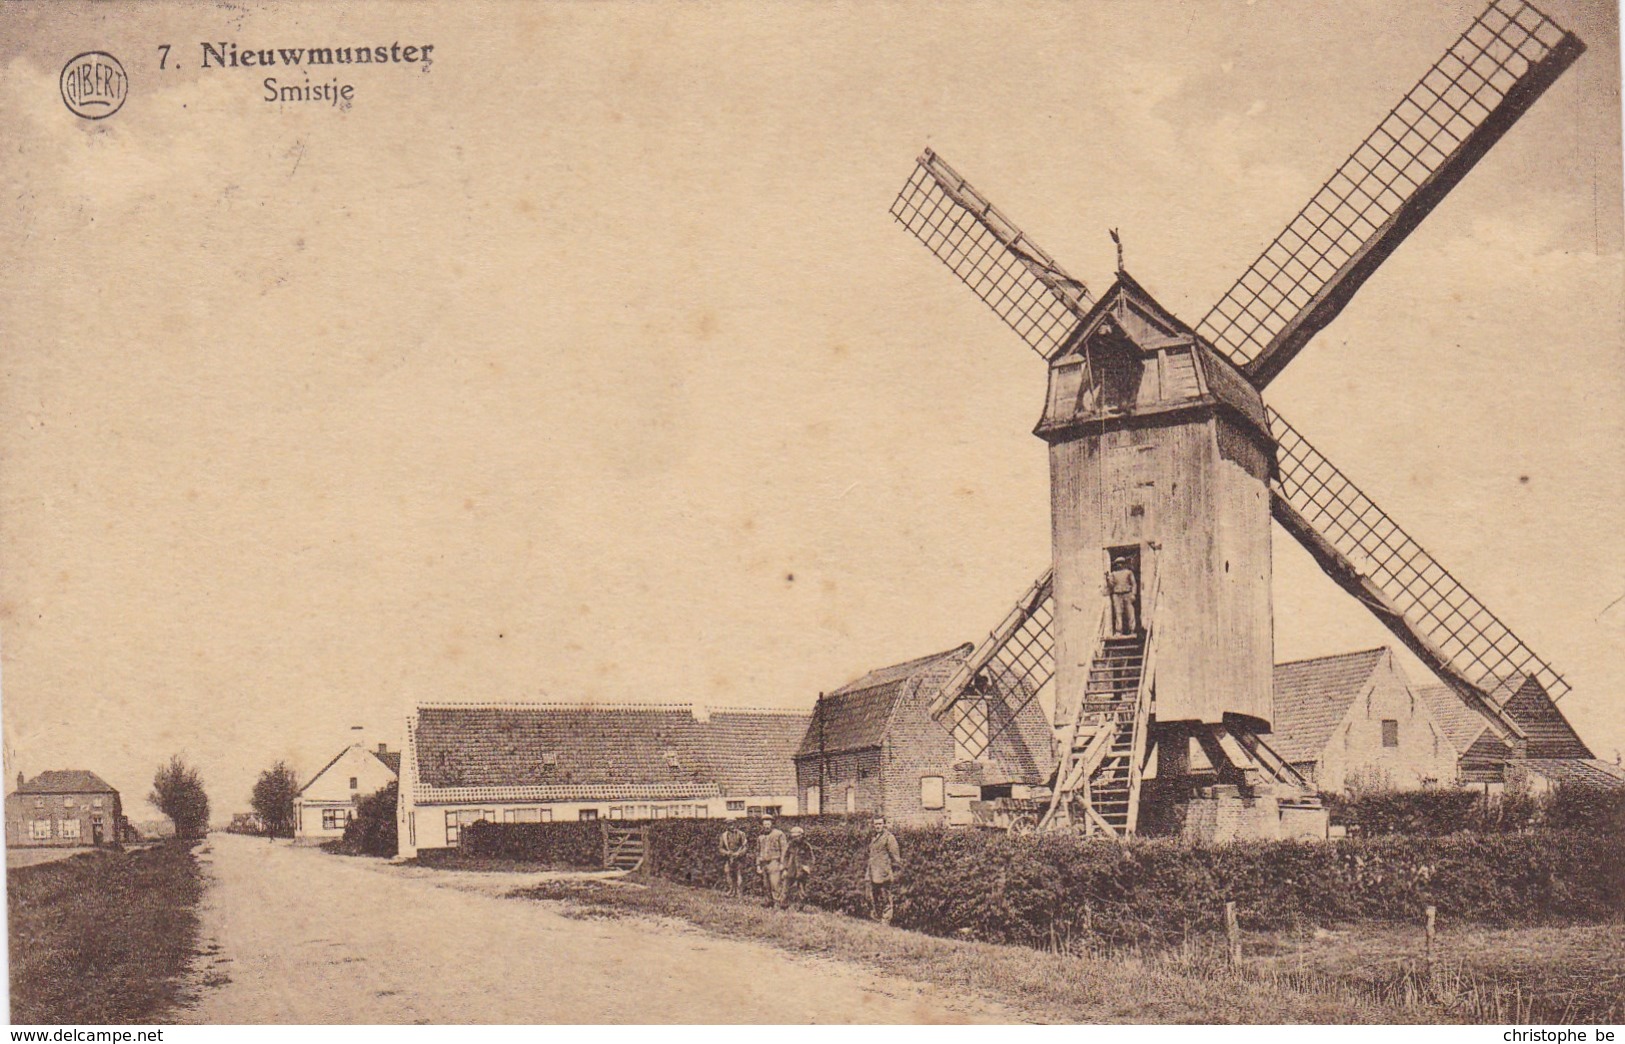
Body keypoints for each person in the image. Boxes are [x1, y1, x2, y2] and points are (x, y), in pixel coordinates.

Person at [866, 816, 903, 924]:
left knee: (885, 896)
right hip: (872, 871)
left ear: (884, 825)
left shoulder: (889, 837)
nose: (878, 826)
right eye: (876, 824)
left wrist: (894, 870)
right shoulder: (873, 837)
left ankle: (886, 919)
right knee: (872, 895)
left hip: (883, 872)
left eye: (880, 824)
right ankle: (875, 917)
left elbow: (895, 856)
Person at [755, 815, 788, 908]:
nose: (766, 826)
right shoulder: (760, 837)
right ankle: (769, 902)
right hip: (763, 863)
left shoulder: (779, 834)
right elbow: (758, 852)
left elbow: (784, 849)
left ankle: (778, 903)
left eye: (768, 824)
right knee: (766, 885)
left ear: (772, 824)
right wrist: (758, 865)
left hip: (774, 862)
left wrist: (782, 863)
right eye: (764, 824)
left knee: (775, 884)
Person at [782, 826, 815, 910]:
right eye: (794, 836)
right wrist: (785, 868)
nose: (796, 838)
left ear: (801, 835)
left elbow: (811, 858)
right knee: (786, 888)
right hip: (791, 869)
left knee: (801, 890)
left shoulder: (806, 846)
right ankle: (784, 906)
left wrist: (808, 867)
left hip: (801, 871)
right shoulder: (790, 845)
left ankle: (800, 907)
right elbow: (785, 856)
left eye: (797, 836)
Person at [1107, 556, 1138, 635]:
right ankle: (1118, 631)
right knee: (1118, 613)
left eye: (1121, 563)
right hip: (1117, 595)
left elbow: (1134, 584)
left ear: (1124, 564)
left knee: (1130, 612)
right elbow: (1111, 585)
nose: (1119, 565)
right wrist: (1108, 579)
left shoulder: (1128, 572)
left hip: (1127, 593)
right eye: (1118, 563)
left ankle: (1132, 630)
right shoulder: (1113, 574)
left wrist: (1133, 594)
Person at [717, 821, 748, 897]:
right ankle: (731, 890)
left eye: (733, 824)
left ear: (735, 824)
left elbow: (745, 847)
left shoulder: (741, 834)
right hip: (729, 858)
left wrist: (739, 853)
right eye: (729, 824)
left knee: (738, 874)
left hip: (739, 858)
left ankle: (738, 892)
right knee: (728, 872)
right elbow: (720, 848)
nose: (731, 826)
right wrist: (727, 853)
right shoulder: (724, 835)